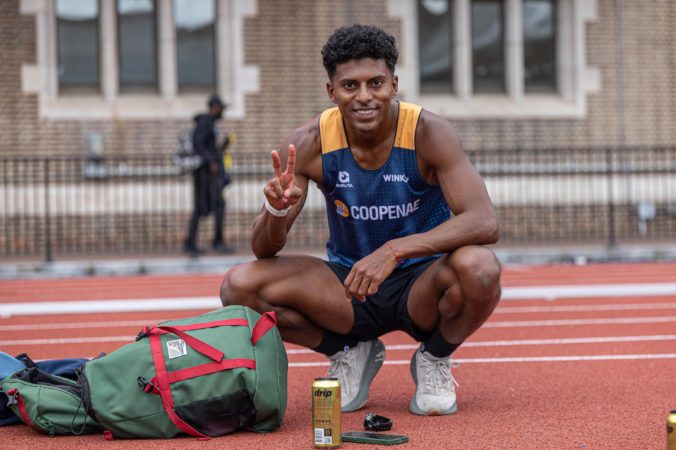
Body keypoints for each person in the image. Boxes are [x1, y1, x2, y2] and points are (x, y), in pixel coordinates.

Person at [220, 24, 501, 416]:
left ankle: (434, 358)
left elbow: (484, 222)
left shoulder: (427, 132)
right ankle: (349, 351)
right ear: (331, 91)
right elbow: (264, 249)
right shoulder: (308, 143)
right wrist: (277, 210)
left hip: (421, 283)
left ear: (394, 84)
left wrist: (395, 250)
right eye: (350, 86)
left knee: (480, 267)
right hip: (350, 287)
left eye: (376, 83)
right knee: (239, 287)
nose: (365, 97)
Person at [184, 94, 234, 256]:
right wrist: (211, 162)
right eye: (221, 109)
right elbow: (197, 144)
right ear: (214, 107)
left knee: (216, 205)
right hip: (204, 174)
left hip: (210, 173)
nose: (222, 113)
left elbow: (209, 147)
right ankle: (201, 243)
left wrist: (223, 146)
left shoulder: (211, 124)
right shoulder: (205, 123)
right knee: (206, 206)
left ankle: (210, 241)